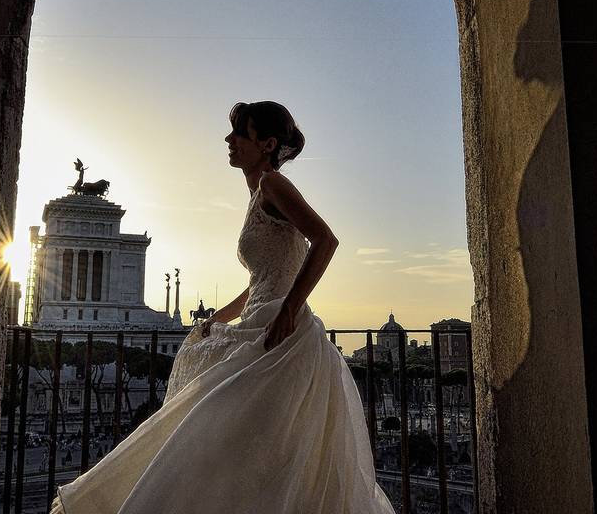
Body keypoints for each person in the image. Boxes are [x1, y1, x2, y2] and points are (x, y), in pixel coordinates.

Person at [50, 101, 395, 513]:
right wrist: (218, 318)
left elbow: (325, 241)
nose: (229, 141)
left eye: (239, 134)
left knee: (219, 437)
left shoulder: (273, 185)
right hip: (262, 324)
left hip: (280, 335)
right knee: (240, 450)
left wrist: (290, 309)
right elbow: (261, 281)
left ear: (266, 144)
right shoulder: (258, 194)